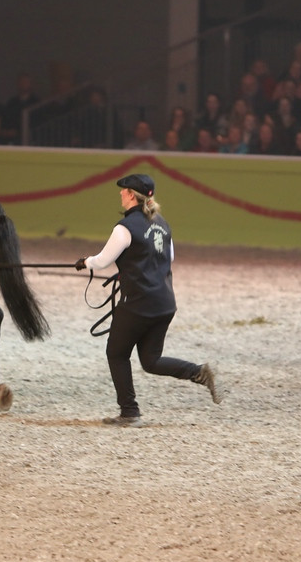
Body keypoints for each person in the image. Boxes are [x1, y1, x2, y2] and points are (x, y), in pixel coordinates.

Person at [74, 174, 221, 426]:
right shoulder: (163, 224)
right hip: (164, 303)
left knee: (116, 353)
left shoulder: (124, 228)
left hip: (138, 304)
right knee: (151, 361)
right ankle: (197, 372)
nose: (120, 194)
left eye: (123, 191)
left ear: (132, 195)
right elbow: (168, 257)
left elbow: (102, 261)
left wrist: (84, 262)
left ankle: (129, 412)